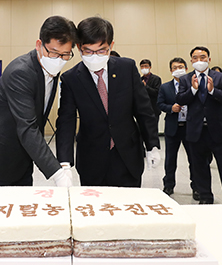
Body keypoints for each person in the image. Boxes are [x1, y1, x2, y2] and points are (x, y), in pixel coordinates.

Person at [0, 15, 77, 188]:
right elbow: (28, 127)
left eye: (65, 55)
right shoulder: (20, 72)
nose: (59, 60)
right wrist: (57, 173)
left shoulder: (51, 67)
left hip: (23, 159)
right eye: (53, 53)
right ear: (39, 45)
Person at [56, 16, 160, 187]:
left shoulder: (127, 68)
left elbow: (143, 110)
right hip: (91, 158)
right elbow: (66, 121)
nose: (95, 56)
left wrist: (152, 145)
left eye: (101, 50)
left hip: (127, 155)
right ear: (79, 48)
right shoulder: (71, 79)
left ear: (111, 46)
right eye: (88, 51)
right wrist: (64, 162)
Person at [176, 46, 222, 204]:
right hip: (196, 131)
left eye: (203, 57)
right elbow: (180, 99)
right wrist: (192, 89)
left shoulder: (220, 78)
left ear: (209, 59)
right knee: (200, 167)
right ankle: (205, 197)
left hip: (218, 130)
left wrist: (213, 91)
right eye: (196, 58)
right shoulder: (186, 79)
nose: (199, 61)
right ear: (191, 61)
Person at [157, 57, 198, 199]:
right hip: (173, 127)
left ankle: (196, 187)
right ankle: (168, 185)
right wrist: (170, 108)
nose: (178, 70)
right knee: (170, 159)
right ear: (170, 70)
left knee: (194, 158)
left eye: (180, 67)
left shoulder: (193, 85)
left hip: (190, 127)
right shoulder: (165, 87)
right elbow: (160, 104)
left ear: (186, 69)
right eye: (174, 67)